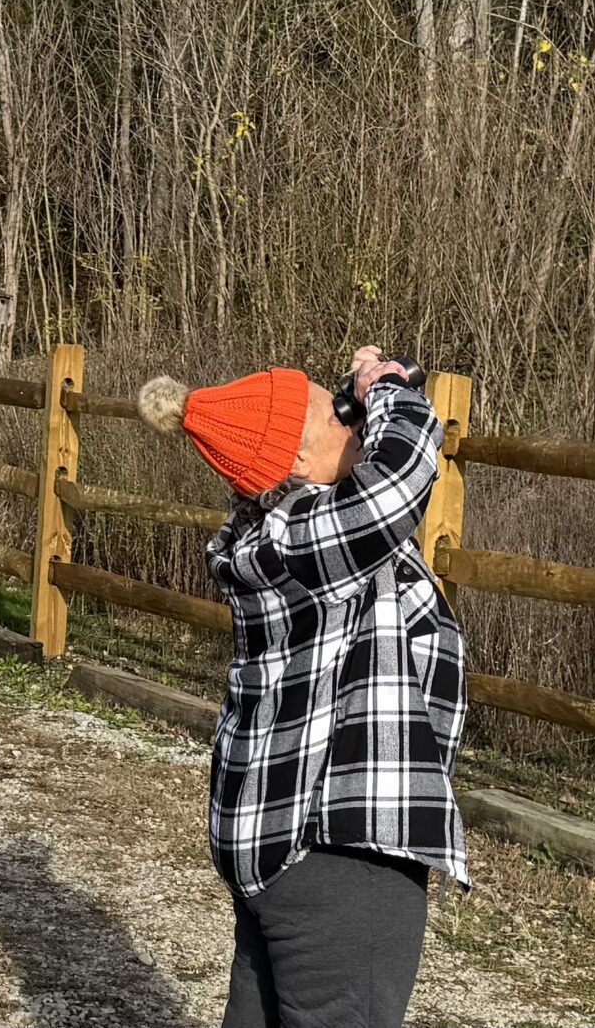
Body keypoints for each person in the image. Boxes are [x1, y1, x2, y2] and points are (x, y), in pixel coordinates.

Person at [136, 347, 467, 1028]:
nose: (353, 422)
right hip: (340, 853)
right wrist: (391, 389)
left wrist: (358, 403)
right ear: (295, 467)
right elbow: (401, 477)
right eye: (334, 416)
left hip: (275, 841)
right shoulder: (309, 534)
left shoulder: (264, 530)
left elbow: (381, 495)